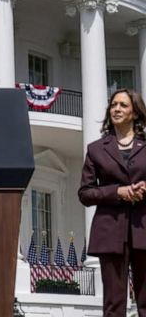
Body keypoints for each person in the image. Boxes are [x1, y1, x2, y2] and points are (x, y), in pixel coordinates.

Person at [79, 88, 146, 317]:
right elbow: (85, 193)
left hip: (143, 230)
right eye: (114, 104)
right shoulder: (96, 149)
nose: (116, 109)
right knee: (114, 305)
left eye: (123, 105)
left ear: (135, 113)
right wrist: (119, 192)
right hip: (110, 233)